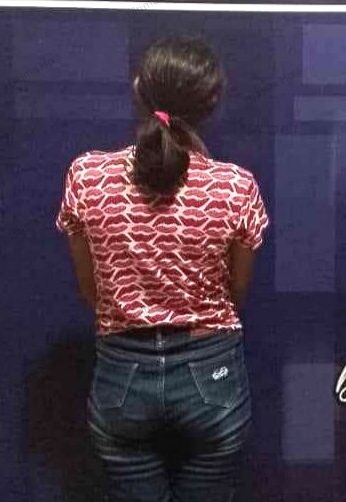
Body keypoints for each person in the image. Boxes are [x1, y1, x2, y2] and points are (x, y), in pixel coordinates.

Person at [54, 37, 269, 502]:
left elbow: (91, 291)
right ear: (212, 103)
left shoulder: (87, 177)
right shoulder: (236, 187)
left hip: (121, 375)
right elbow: (235, 292)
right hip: (212, 374)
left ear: (138, 89)